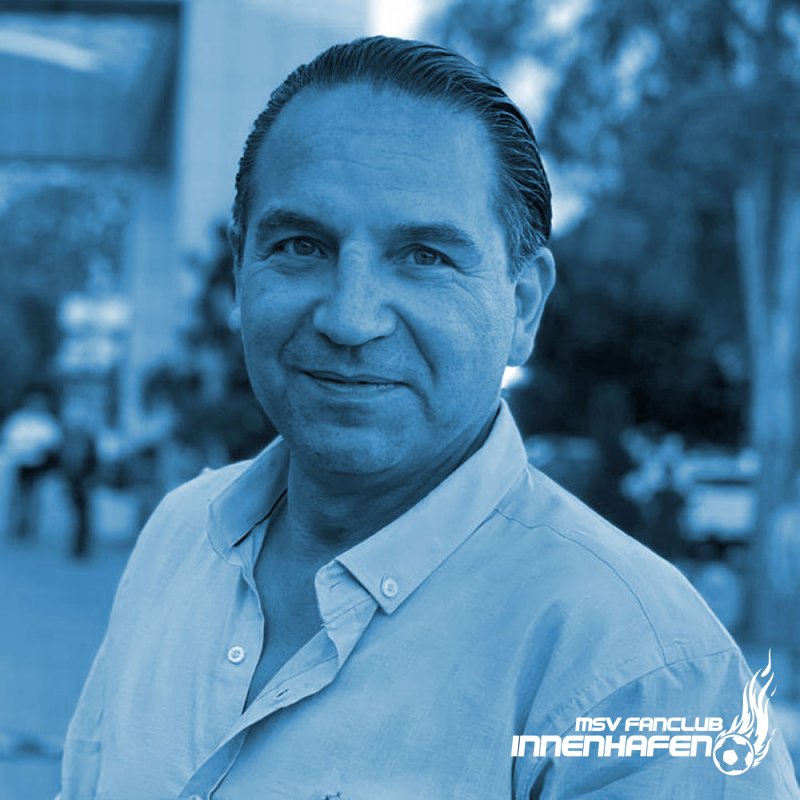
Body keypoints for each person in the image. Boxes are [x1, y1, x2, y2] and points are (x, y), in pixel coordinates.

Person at [59, 37, 799, 798]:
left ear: (523, 306)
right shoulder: (181, 538)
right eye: (301, 245)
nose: (349, 319)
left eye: (424, 257)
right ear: (241, 272)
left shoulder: (641, 673)